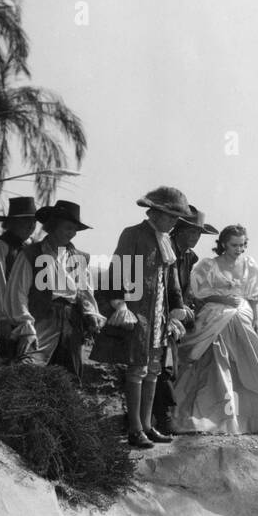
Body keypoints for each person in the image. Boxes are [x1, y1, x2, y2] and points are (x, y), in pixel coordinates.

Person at [171, 224, 258, 435]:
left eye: (243, 245)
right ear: (223, 243)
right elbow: (200, 294)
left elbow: (254, 297)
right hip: (215, 313)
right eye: (234, 245)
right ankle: (216, 417)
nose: (239, 249)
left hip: (242, 311)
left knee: (254, 359)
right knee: (216, 359)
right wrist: (220, 297)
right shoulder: (209, 265)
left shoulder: (249, 264)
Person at [91, 186, 192, 448]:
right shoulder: (134, 235)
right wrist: (119, 304)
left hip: (158, 315)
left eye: (175, 218)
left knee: (154, 371)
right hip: (139, 313)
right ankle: (135, 428)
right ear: (155, 213)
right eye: (170, 216)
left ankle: (147, 425)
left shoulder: (166, 240)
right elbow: (117, 270)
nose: (173, 222)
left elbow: (171, 280)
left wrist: (177, 307)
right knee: (137, 368)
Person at [5, 200, 104, 377]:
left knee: (68, 374)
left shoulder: (80, 258)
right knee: (31, 365)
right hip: (42, 316)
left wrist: (91, 312)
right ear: (53, 226)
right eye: (68, 228)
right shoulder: (31, 253)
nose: (72, 233)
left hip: (71, 320)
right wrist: (25, 324)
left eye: (74, 229)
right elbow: (17, 292)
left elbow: (85, 291)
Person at [153, 206, 219, 432]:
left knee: (173, 366)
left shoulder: (191, 258)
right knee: (163, 366)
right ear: (178, 230)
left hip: (177, 319)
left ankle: (161, 416)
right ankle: (162, 418)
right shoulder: (164, 248)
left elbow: (187, 290)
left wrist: (187, 309)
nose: (195, 238)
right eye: (192, 232)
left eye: (199, 234)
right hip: (158, 314)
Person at [0, 196, 37, 362]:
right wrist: (2, 318)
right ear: (11, 223)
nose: (31, 226)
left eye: (33, 222)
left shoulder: (30, 250)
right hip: (9, 318)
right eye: (25, 221)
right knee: (8, 362)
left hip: (29, 318)